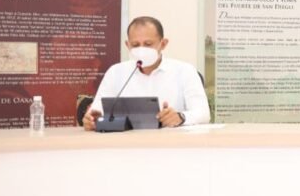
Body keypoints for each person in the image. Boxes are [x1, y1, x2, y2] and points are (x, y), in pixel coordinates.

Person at [83, 16, 211, 130]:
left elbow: (203, 113)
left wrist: (180, 117)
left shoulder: (185, 71)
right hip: (126, 143)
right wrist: (92, 120)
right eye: (135, 45)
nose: (141, 49)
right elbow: (96, 111)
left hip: (171, 143)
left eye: (148, 44)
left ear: (163, 44)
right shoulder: (115, 72)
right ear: (127, 45)